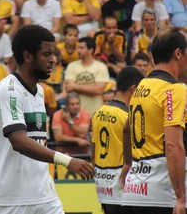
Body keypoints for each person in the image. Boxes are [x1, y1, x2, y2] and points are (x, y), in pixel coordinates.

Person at [0, 24, 95, 214]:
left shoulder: (39, 92)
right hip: (10, 201)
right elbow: (19, 142)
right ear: (28, 56)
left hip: (45, 196)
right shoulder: (9, 90)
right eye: (46, 54)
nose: (52, 60)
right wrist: (67, 161)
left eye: (53, 54)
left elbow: (37, 141)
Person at [121, 26, 187, 214]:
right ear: (178, 53)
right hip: (163, 196)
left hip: (133, 193)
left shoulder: (142, 85)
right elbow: (173, 145)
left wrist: (127, 163)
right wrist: (181, 197)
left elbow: (127, 129)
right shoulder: (175, 89)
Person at [91, 67, 144, 214]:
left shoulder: (97, 114)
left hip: (102, 187)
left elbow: (93, 156)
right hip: (123, 187)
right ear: (134, 89)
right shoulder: (128, 117)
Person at [64, 36, 110, 115]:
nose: (78, 50)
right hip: (76, 114)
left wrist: (75, 86)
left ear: (90, 50)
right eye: (78, 48)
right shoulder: (72, 66)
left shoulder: (101, 67)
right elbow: (68, 88)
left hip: (95, 113)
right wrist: (92, 88)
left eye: (81, 48)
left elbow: (98, 90)